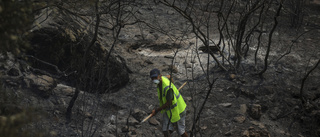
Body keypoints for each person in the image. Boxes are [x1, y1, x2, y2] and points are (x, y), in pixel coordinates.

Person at [149, 68, 188, 137]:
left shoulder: (167, 87)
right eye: (152, 78)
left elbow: (169, 103)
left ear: (160, 76)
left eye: (155, 77)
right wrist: (172, 81)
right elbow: (169, 76)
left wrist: (157, 110)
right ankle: (171, 129)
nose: (154, 79)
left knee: (181, 131)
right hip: (169, 110)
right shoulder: (162, 79)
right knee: (165, 130)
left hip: (179, 109)